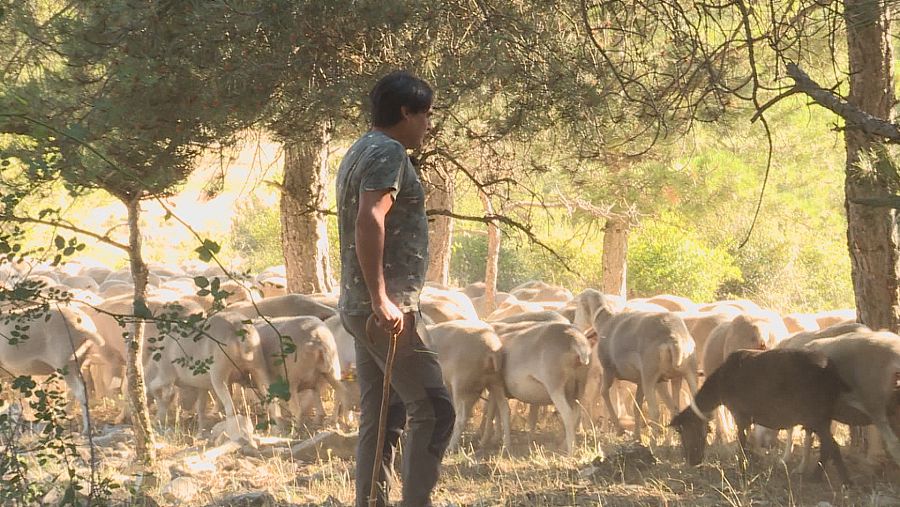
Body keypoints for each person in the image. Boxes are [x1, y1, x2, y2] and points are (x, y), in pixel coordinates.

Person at [336, 70, 455, 507]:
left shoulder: (359, 149)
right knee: (436, 409)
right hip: (385, 309)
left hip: (357, 304)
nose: (428, 124)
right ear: (405, 112)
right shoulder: (388, 152)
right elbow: (371, 217)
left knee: (384, 415)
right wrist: (382, 298)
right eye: (425, 115)